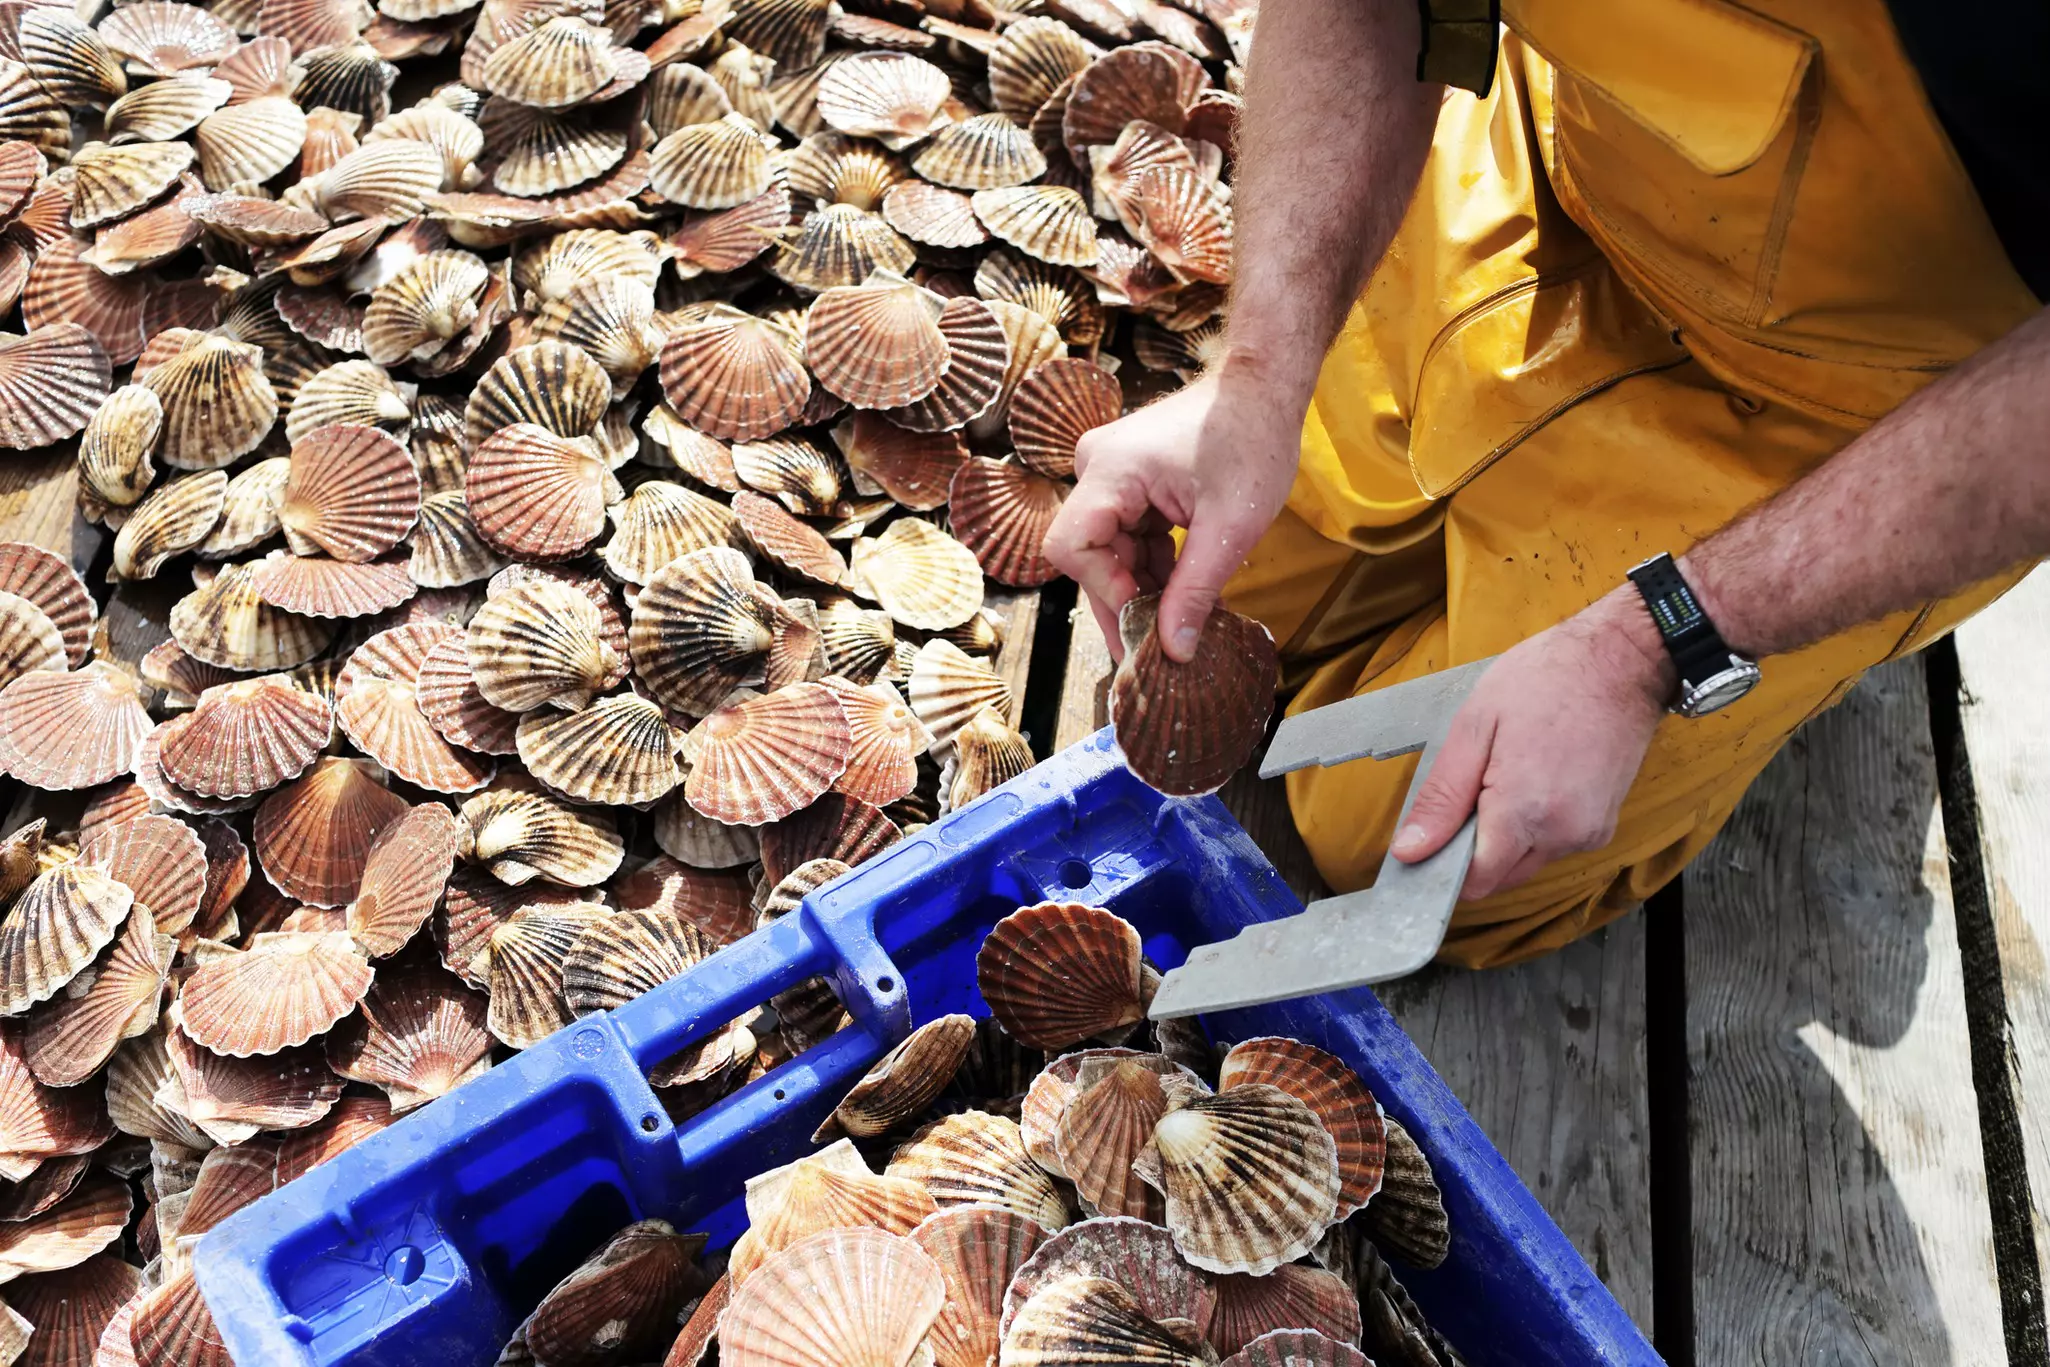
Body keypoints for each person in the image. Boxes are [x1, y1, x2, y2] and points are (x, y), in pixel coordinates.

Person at [1043, 0, 2049, 968]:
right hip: (1549, 183)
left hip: (1857, 409)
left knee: (1400, 839)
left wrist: (1660, 639)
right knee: (1203, 589)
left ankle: (1835, 621)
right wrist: (1255, 377)